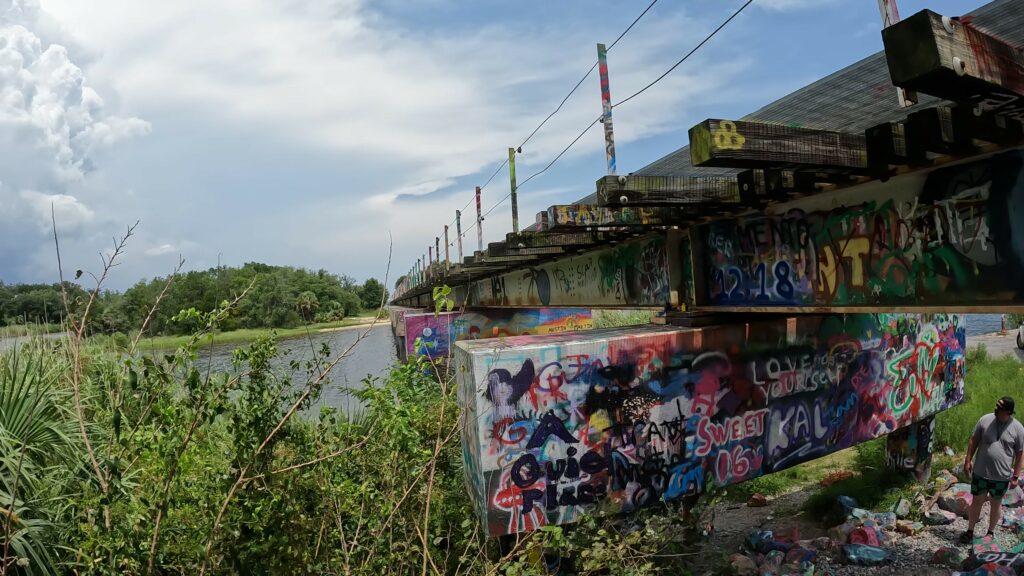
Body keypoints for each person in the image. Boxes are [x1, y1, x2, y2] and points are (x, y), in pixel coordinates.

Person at [960, 397, 1024, 544]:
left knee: (996, 504)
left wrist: (1015, 476)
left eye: (999, 409)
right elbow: (974, 440)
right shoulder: (985, 420)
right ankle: (969, 531)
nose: (996, 410)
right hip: (981, 472)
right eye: (996, 407)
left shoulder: (1018, 429)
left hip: (1001, 476)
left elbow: (1020, 454)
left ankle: (990, 533)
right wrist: (967, 460)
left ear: (1008, 412)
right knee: (977, 502)